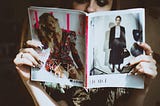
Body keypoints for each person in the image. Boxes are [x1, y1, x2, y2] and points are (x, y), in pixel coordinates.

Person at [14, 0, 157, 106]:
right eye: (82, 0)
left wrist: (142, 89)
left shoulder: (69, 36)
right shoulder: (46, 44)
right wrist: (31, 83)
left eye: (101, 2)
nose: (90, 8)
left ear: (112, 7)